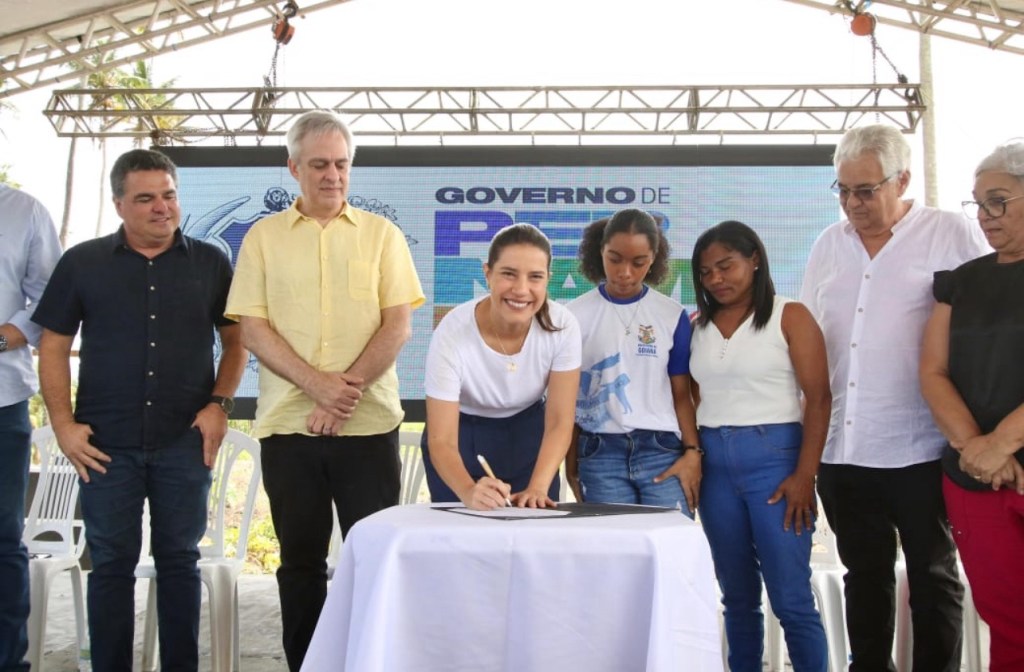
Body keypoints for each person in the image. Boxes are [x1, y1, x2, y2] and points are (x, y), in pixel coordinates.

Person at [32, 149, 246, 672]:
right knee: (110, 568)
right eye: (146, 198)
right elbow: (53, 345)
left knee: (179, 564)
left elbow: (237, 342)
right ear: (119, 205)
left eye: (169, 195)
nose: (161, 208)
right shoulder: (82, 262)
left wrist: (219, 404)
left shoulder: (212, 262)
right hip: (105, 446)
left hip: (184, 441)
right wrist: (62, 424)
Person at [225, 110, 424, 670]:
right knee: (300, 565)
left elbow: (397, 324)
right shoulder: (262, 238)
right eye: (319, 164)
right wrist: (317, 388)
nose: (332, 175)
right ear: (293, 168)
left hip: (368, 425)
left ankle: (372, 661)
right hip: (289, 427)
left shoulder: (383, 236)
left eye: (341, 164)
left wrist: (342, 395)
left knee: (375, 559)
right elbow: (254, 328)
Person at [799, 124, 989, 671]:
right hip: (843, 446)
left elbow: (982, 323)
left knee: (932, 576)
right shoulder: (828, 244)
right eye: (842, 191)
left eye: (865, 190)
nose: (852, 204)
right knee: (865, 575)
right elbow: (810, 337)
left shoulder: (950, 233)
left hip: (922, 443)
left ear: (902, 179)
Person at [689, 220, 831, 671]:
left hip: (777, 461)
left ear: (754, 260)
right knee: (736, 598)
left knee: (791, 597)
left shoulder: (790, 315)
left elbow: (820, 398)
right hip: (715, 466)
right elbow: (692, 395)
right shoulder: (698, 325)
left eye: (726, 266)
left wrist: (805, 475)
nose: (716, 279)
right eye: (706, 272)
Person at [920, 139, 1024, 672]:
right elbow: (932, 372)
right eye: (979, 204)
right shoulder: (961, 283)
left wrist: (1002, 442)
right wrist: (975, 447)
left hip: (1001, 461)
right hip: (974, 477)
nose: (985, 217)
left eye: (998, 201)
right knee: (1004, 618)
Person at [423, 223, 580, 510]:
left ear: (547, 280)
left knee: (533, 540)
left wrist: (538, 486)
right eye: (508, 274)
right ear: (487, 274)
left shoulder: (563, 325)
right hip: (461, 436)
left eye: (535, 277)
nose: (521, 290)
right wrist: (469, 491)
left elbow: (559, 421)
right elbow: (441, 438)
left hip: (530, 435)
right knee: (462, 541)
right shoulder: (451, 332)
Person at [563, 208, 700, 516]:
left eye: (638, 262)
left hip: (663, 451)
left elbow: (682, 394)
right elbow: (569, 399)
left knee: (668, 550)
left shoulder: (671, 315)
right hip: (599, 453)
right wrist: (571, 461)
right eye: (615, 259)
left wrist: (693, 452)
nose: (625, 271)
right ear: (600, 252)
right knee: (612, 553)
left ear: (653, 259)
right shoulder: (573, 316)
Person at [0, 185, 61, 672]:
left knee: (2, 539)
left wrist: (5, 335)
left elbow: (50, 300)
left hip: (2, 401)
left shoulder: (23, 211)